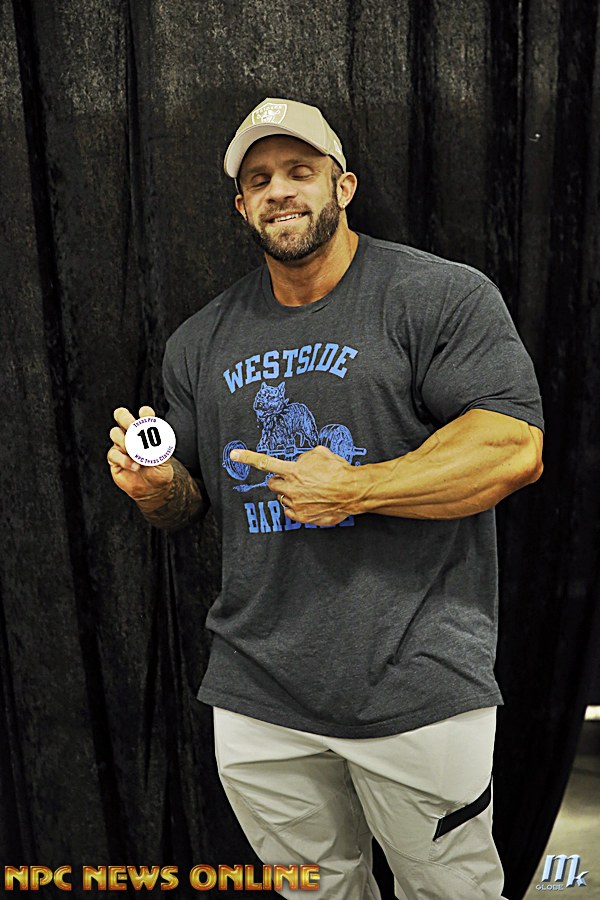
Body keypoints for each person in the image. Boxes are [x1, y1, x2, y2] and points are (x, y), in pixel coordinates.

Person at [107, 97, 544, 900]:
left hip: (414, 683)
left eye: (299, 171)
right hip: (257, 693)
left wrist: (356, 487)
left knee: (452, 891)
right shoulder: (200, 341)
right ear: (241, 207)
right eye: (258, 180)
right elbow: (187, 508)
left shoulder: (436, 295)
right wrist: (156, 486)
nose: (279, 190)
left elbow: (514, 450)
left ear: (342, 187)